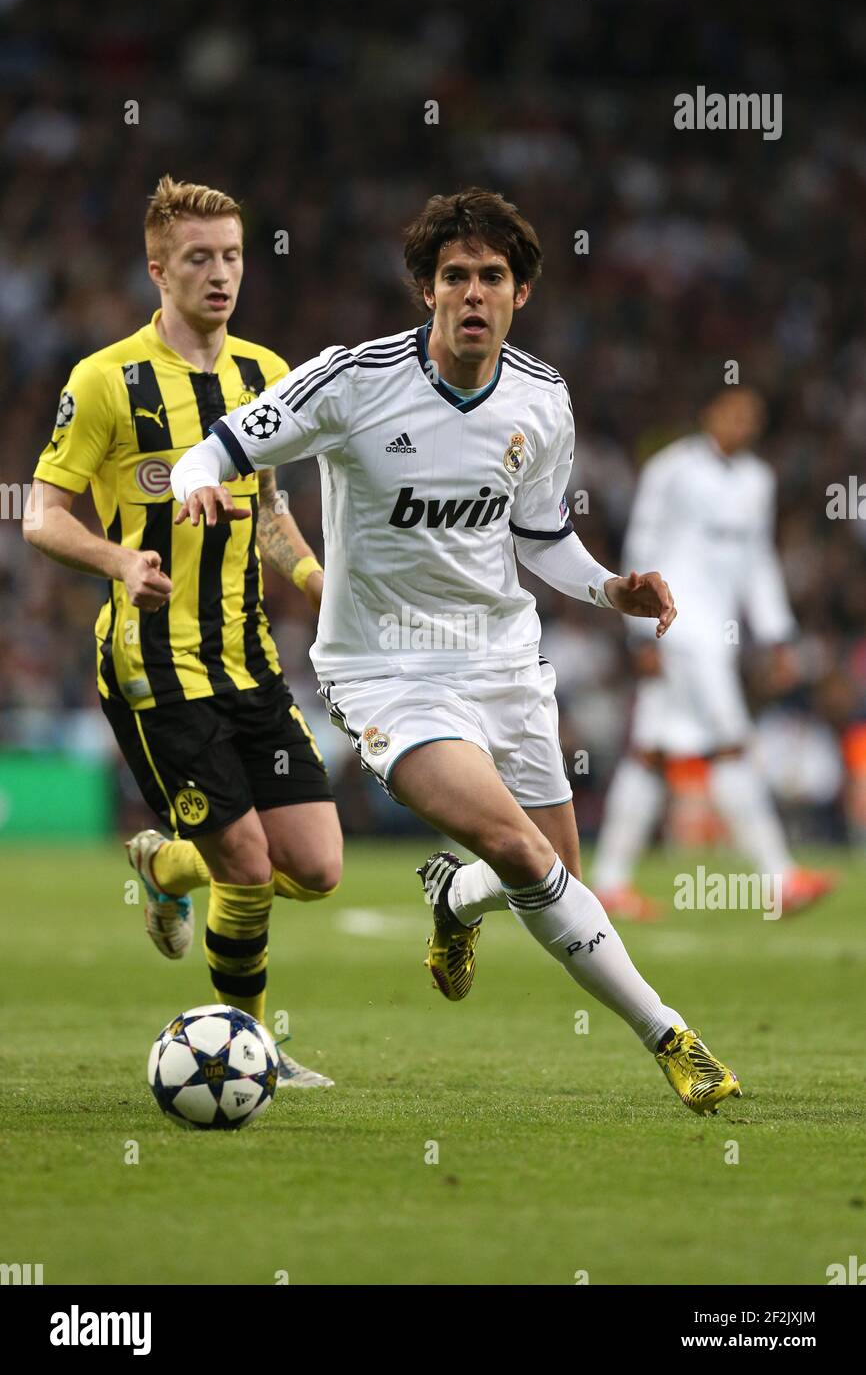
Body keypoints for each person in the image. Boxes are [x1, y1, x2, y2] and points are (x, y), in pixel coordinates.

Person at [170, 186, 741, 1115]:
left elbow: (540, 533)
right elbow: (219, 447)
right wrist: (198, 485)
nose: (473, 293)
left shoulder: (543, 398)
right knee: (520, 847)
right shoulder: (352, 381)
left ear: (521, 295)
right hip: (386, 670)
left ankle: (453, 902)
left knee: (552, 868)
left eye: (492, 277)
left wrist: (610, 588)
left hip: (505, 661)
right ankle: (670, 1034)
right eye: (454, 277)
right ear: (425, 291)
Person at [24, 175, 342, 1088]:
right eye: (199, 258)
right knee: (244, 864)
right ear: (157, 268)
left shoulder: (268, 375)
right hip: (152, 664)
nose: (220, 274)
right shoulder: (106, 380)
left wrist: (318, 581)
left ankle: (164, 867)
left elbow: (273, 511)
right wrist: (123, 563)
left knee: (316, 867)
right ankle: (250, 1051)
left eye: (233, 256)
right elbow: (42, 515)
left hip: (250, 662)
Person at [593, 387, 836, 920]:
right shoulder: (671, 469)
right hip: (676, 629)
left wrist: (777, 635)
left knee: (651, 753)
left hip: (718, 637)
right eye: (734, 413)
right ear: (708, 413)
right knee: (730, 744)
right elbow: (642, 544)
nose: (743, 423)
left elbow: (758, 563)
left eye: (752, 416)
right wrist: (638, 631)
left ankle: (609, 881)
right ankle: (779, 877)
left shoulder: (758, 480)